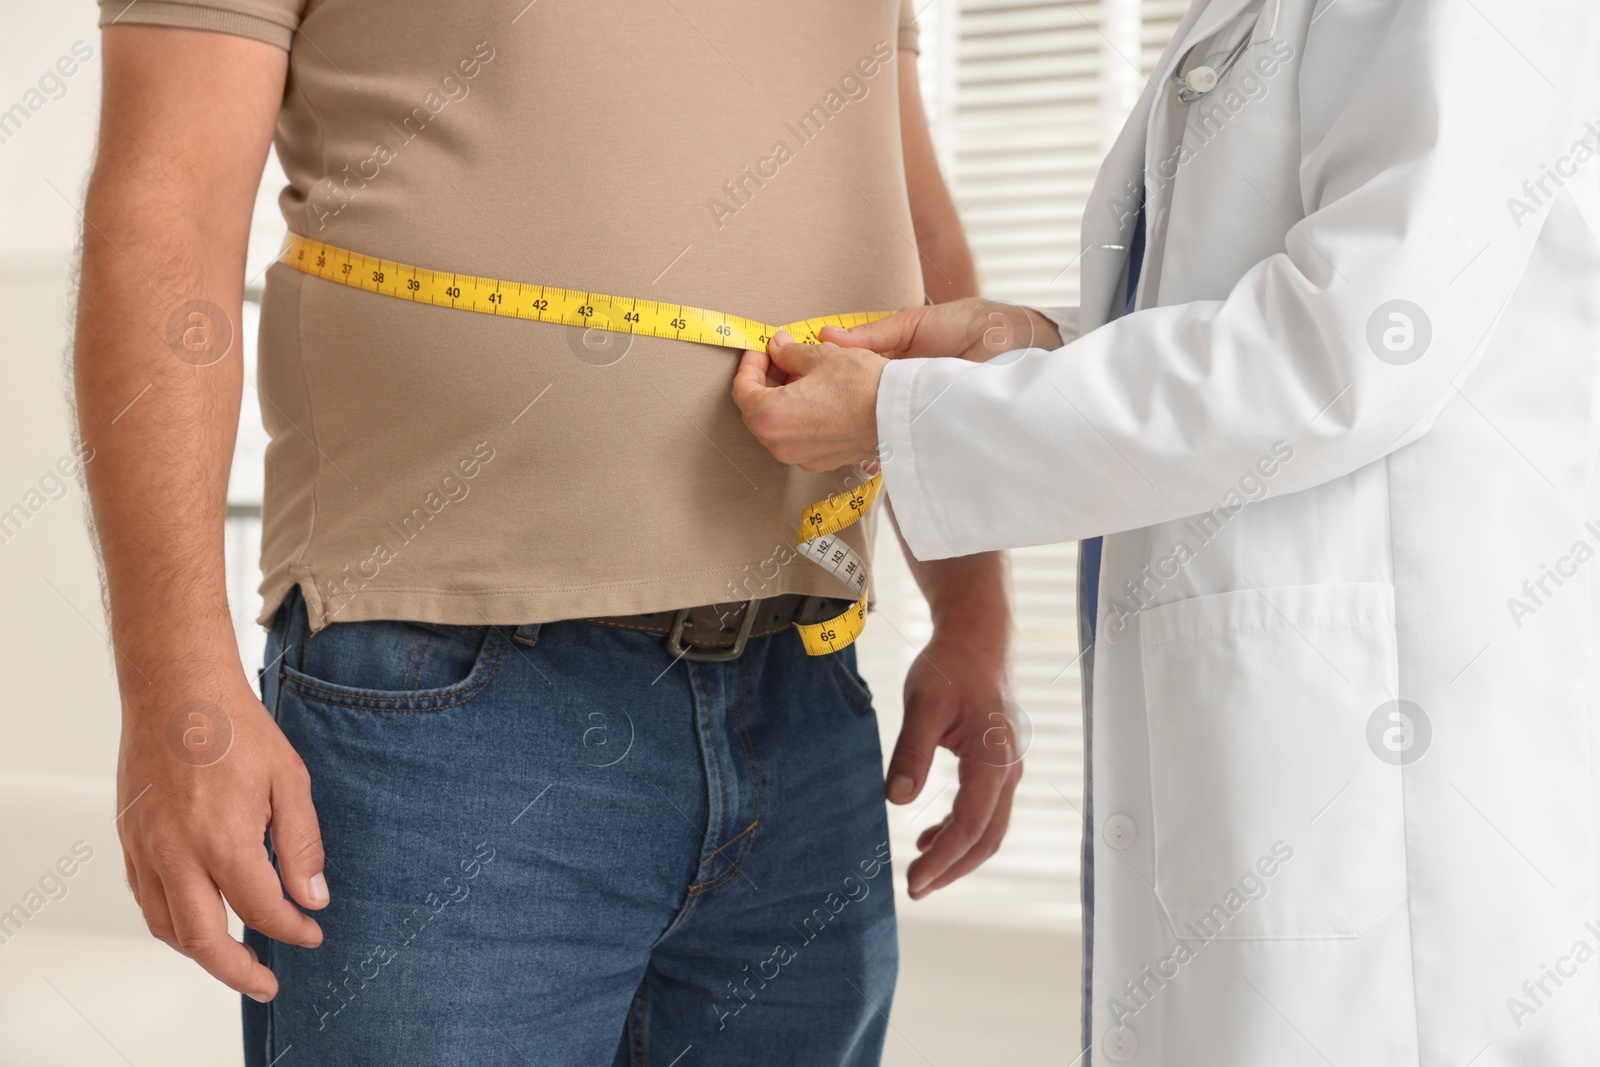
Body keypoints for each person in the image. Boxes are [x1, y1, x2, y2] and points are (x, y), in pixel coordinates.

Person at [72, 2, 1020, 1063]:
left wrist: (972, 613)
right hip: (440, 706)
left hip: (802, 699)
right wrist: (174, 690)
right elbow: (166, 220)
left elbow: (916, 249)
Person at [733, 0, 1600, 1062]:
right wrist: (1023, 344)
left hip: (1390, 793)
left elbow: (1356, 343)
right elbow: (1248, 306)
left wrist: (901, 418)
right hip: (1283, 768)